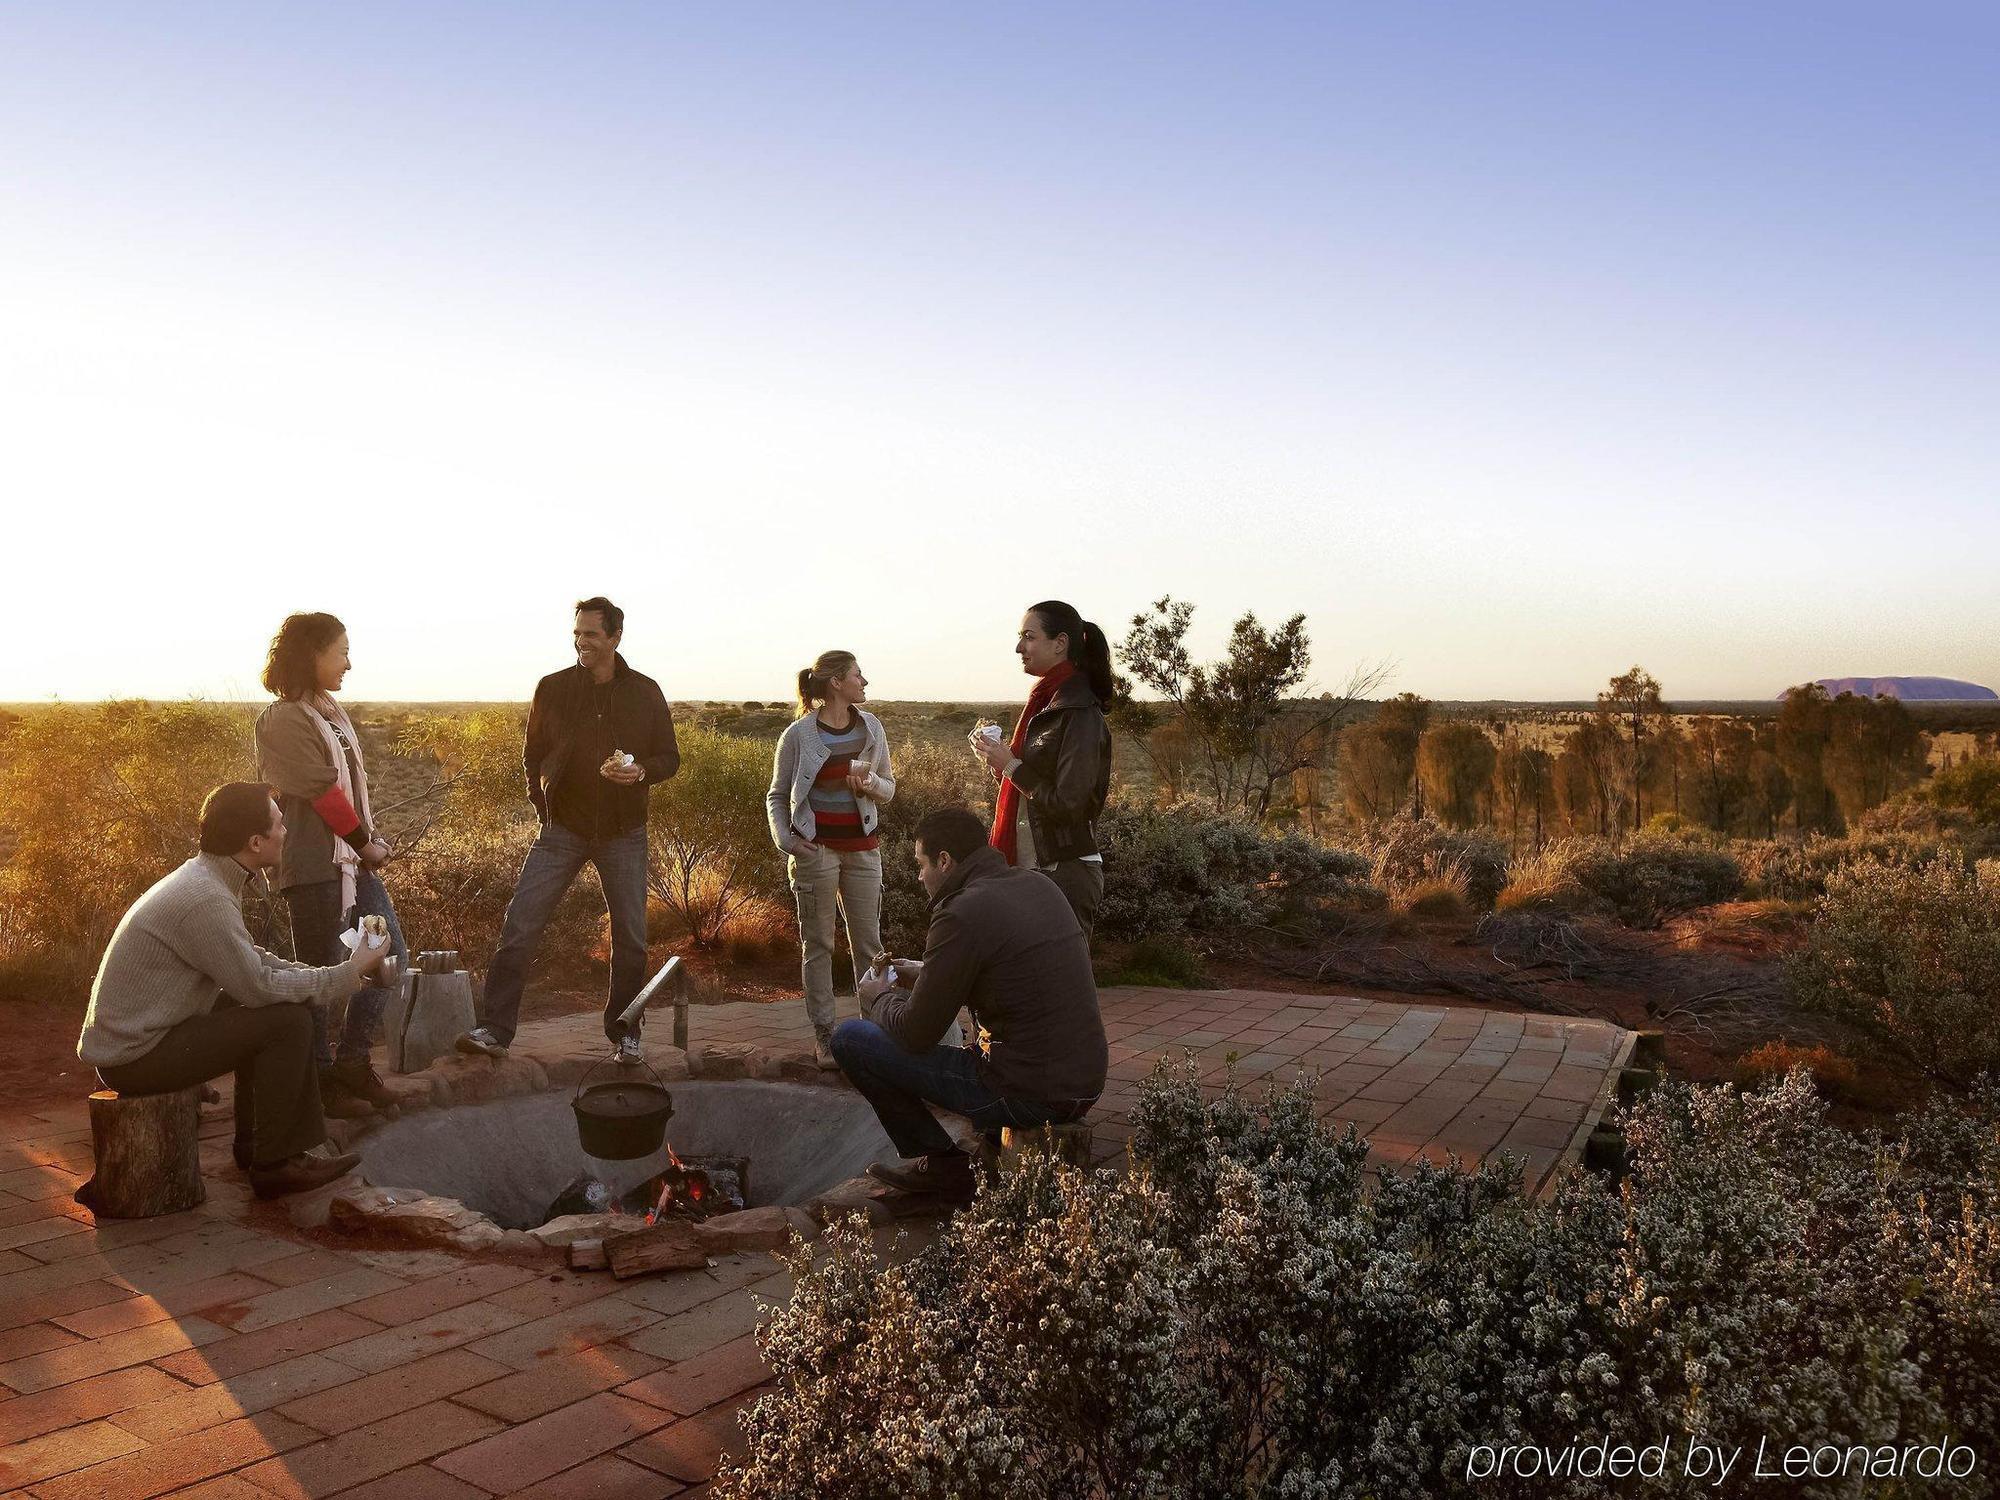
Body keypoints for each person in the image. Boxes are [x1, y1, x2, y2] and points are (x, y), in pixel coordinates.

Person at [76, 783, 384, 1199]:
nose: (286, 830)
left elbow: (252, 961)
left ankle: (257, 1146)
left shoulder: (208, 879)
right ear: (255, 842)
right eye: (279, 823)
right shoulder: (204, 897)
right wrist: (347, 975)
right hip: (134, 1057)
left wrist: (342, 971)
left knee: (272, 1010)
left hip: (142, 1038)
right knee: (287, 1022)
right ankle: (278, 1163)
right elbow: (258, 985)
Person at [830, 805, 1107, 1205]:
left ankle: (945, 1166)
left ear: (945, 860)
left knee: (851, 1039)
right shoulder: (1038, 885)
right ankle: (978, 1150)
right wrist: (928, 971)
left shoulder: (960, 912)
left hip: (1027, 1091)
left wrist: (878, 999)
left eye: (921, 864)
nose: (919, 876)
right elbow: (1008, 968)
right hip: (1086, 1080)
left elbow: (916, 1032)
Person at [458, 596, 679, 1063]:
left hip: (624, 831)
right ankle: (494, 1029)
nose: (582, 641)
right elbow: (532, 754)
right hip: (563, 828)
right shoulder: (553, 688)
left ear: (615, 637)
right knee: (521, 923)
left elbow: (669, 758)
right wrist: (542, 807)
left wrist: (639, 771)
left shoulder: (645, 691)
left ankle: (624, 1033)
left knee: (631, 937)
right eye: (577, 633)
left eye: (591, 634)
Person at [254, 612, 408, 1119]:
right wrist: (367, 846)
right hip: (316, 863)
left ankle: (352, 1062)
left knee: (389, 959)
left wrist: (367, 844)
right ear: (312, 654)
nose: (348, 662)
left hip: (350, 863)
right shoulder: (283, 719)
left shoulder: (328, 711)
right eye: (341, 651)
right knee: (321, 975)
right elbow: (322, 792)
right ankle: (320, 1083)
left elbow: (346, 789)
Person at [766, 651, 896, 1070]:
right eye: (859, 674)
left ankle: (871, 1035)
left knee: (870, 947)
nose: (865, 681)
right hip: (815, 852)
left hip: (863, 851)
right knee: (818, 946)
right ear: (837, 682)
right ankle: (826, 1039)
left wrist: (871, 781)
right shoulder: (798, 734)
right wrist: (787, 840)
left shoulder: (872, 728)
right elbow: (777, 795)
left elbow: (889, 789)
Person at [969, 599, 1114, 942]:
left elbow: (1069, 803)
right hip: (1032, 867)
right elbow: (1035, 787)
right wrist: (999, 763)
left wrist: (1012, 766)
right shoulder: (1046, 702)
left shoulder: (1078, 713)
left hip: (1062, 870)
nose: (1019, 647)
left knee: (1062, 987)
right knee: (1028, 983)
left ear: (1060, 643)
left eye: (1029, 637)